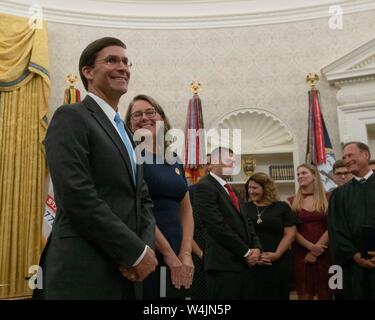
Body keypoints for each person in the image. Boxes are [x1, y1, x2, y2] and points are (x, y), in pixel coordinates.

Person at [34, 37, 158, 299]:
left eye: (126, 61)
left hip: (128, 272)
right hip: (84, 270)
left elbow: (142, 199)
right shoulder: (71, 116)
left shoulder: (125, 130)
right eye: (112, 60)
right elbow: (77, 195)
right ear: (88, 72)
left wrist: (144, 250)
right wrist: (134, 251)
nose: (123, 67)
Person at [125, 94, 194, 299]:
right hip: (146, 251)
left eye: (150, 112)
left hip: (179, 253)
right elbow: (136, 208)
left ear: (162, 118)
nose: (144, 117)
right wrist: (168, 254)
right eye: (136, 114)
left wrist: (186, 253)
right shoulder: (130, 158)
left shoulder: (174, 159)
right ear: (129, 124)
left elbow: (187, 209)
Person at [193, 147, 262, 299]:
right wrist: (246, 252)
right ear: (213, 162)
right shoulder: (205, 186)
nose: (232, 162)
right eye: (227, 159)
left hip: (244, 265)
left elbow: (248, 223)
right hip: (223, 265)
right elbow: (217, 226)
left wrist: (256, 247)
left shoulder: (233, 190)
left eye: (233, 160)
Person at [328, 141, 375, 299]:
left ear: (366, 155)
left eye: (350, 155)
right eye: (344, 157)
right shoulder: (339, 195)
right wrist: (355, 255)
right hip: (353, 266)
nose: (347, 160)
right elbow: (336, 230)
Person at [243, 172, 297, 300]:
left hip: (279, 263)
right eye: (249, 188)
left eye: (255, 188)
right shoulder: (244, 208)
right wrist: (251, 255)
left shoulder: (282, 207)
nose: (250, 191)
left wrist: (277, 254)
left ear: (266, 188)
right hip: (252, 263)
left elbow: (290, 233)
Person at [288, 163, 332, 300]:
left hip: (325, 252)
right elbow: (291, 230)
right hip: (301, 253)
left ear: (314, 175)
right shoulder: (291, 201)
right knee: (304, 294)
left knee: (326, 293)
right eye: (298, 174)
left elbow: (333, 226)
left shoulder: (328, 197)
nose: (300, 176)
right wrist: (310, 248)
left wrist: (316, 250)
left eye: (304, 173)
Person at [189, 154, 211, 300]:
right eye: (206, 164)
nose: (209, 167)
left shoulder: (230, 192)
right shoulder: (191, 192)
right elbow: (184, 226)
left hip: (223, 257)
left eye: (212, 163)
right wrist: (201, 254)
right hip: (198, 252)